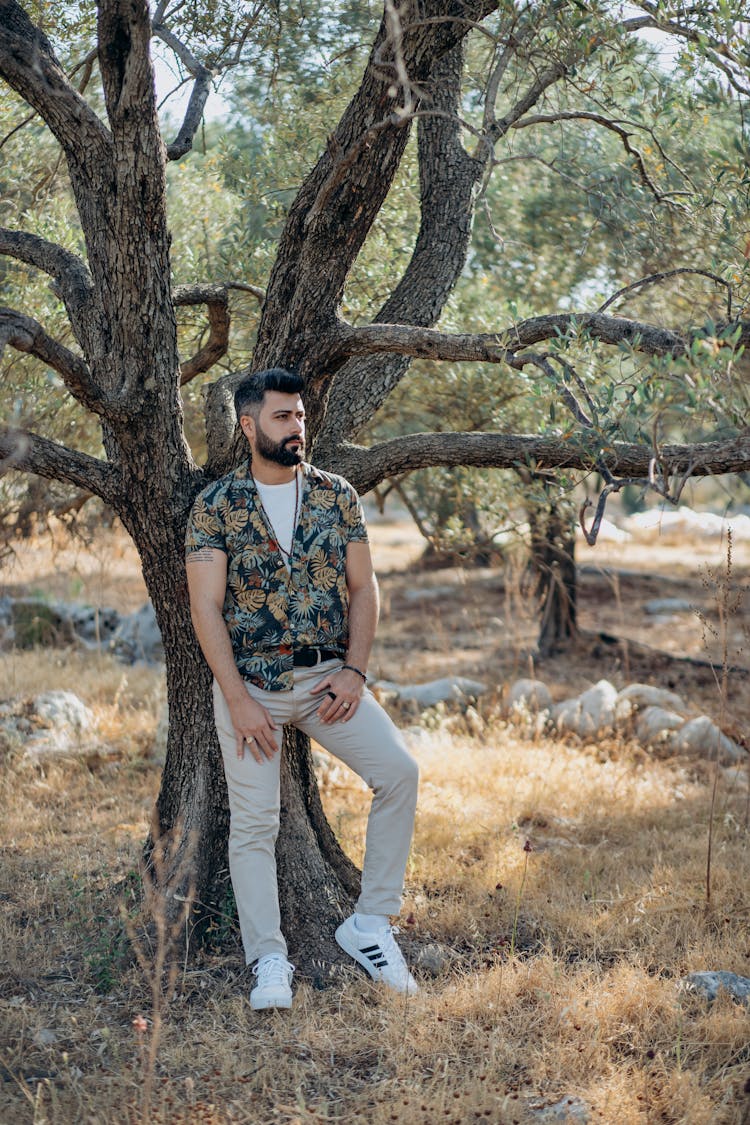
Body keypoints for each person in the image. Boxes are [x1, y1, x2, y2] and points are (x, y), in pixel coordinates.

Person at [185, 367, 419, 1010]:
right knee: (255, 825)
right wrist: (235, 698)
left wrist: (355, 670)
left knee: (399, 773)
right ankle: (269, 960)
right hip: (251, 689)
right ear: (248, 424)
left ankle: (370, 925)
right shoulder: (217, 506)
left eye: (301, 417)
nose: (297, 427)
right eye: (284, 417)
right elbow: (204, 608)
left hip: (326, 684)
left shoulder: (336, 494)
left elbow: (364, 588)